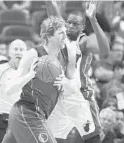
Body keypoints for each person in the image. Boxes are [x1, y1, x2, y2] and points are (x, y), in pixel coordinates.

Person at [45, 1, 109, 143]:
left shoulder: (83, 41)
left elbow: (105, 50)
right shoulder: (60, 37)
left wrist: (93, 19)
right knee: (55, 139)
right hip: (59, 96)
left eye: (77, 24)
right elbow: (51, 8)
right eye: (70, 23)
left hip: (79, 96)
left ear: (83, 28)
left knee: (93, 139)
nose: (72, 26)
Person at [1, 16, 66, 143]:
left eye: (65, 33)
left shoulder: (60, 58)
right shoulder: (33, 55)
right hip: (27, 113)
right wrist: (30, 75)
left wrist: (64, 85)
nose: (65, 36)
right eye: (61, 33)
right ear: (48, 37)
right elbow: (9, 89)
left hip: (37, 115)